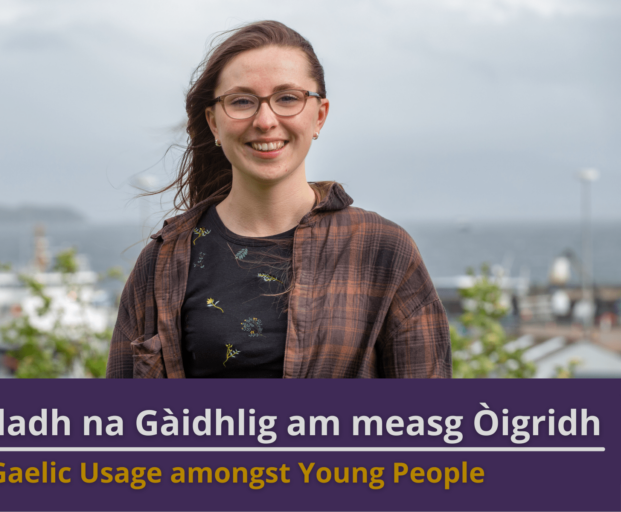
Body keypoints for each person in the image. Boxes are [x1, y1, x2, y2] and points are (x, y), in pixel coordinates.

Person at [106, 20, 451, 378]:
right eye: (242, 101)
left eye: (288, 98)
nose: (265, 120)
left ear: (319, 116)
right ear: (214, 123)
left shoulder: (384, 251)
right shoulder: (161, 262)